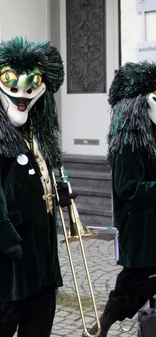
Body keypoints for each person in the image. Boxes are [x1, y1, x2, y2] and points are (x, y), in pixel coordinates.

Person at [0, 37, 65, 337]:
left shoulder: (36, 130)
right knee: (2, 319)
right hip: (12, 246)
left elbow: (42, 170)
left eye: (31, 86)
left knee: (41, 312)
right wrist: (3, 237)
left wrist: (59, 190)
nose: (23, 96)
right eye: (13, 85)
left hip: (42, 244)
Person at [87, 61, 156, 336]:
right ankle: (99, 328)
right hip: (142, 232)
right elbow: (129, 188)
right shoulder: (129, 140)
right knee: (132, 286)